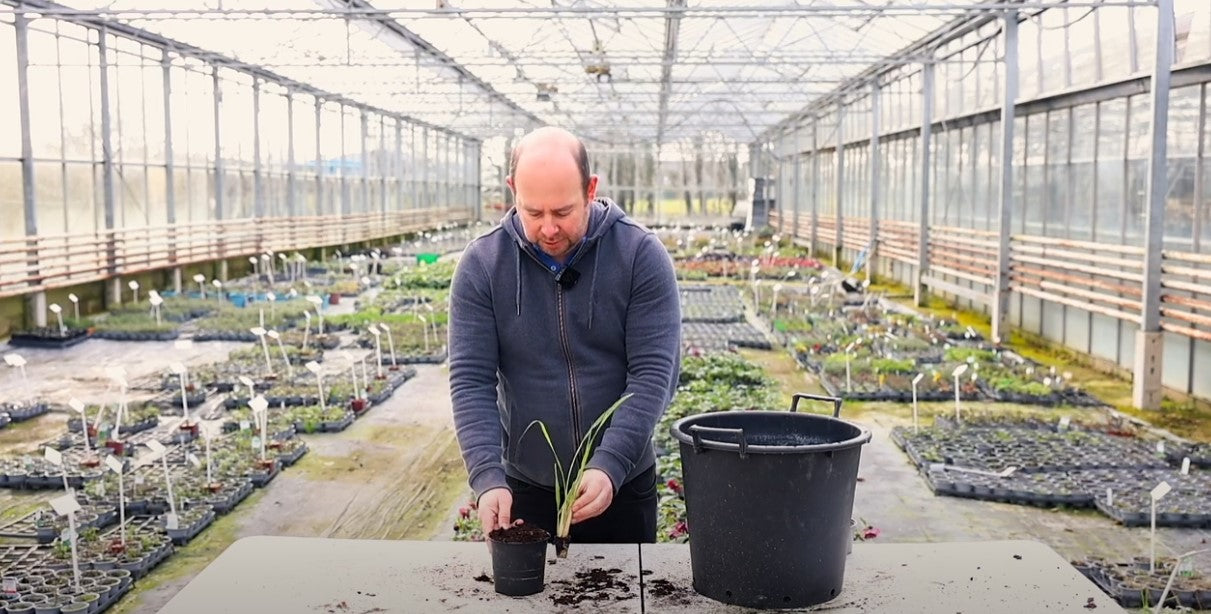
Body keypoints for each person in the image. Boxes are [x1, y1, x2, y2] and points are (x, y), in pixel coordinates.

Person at [448, 126, 681, 545]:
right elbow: (470, 380)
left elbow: (653, 375)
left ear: (591, 189)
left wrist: (610, 462)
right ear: (511, 190)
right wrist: (486, 475)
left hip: (623, 484)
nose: (549, 228)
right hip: (528, 489)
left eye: (563, 211)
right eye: (533, 213)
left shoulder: (639, 255)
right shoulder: (483, 265)